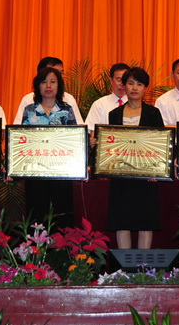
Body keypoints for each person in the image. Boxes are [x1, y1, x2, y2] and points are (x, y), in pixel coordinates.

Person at [106, 67, 165, 249]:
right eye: (130, 83)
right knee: (122, 220)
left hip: (146, 176)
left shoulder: (153, 113)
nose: (134, 88)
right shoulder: (114, 114)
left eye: (139, 84)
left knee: (145, 221)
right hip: (121, 175)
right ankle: (124, 264)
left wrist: (157, 171)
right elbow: (111, 144)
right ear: (124, 86)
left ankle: (143, 264)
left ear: (145, 88)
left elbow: (160, 144)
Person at [20, 66, 78, 227]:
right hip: (35, 169)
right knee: (36, 211)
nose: (48, 86)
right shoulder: (30, 110)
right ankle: (35, 242)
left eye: (53, 82)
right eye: (44, 82)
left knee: (62, 211)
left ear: (59, 85)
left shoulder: (66, 110)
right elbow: (22, 139)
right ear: (38, 86)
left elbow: (74, 139)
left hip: (61, 169)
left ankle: (62, 242)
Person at [12, 57, 83, 125]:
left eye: (61, 73)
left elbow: (78, 129)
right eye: (44, 81)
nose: (48, 85)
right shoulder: (28, 104)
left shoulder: (68, 104)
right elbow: (18, 129)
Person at [85, 63, 130, 135]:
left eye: (124, 80)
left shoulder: (135, 105)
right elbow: (93, 132)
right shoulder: (99, 104)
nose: (122, 84)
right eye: (118, 80)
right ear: (111, 80)